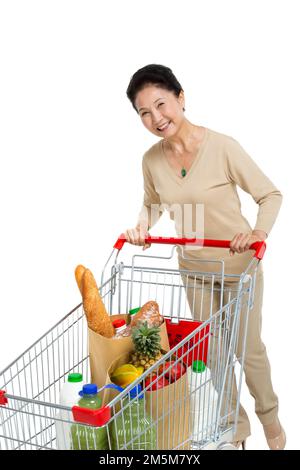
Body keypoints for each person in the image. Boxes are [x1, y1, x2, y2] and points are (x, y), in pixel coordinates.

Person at [124, 64, 285, 450]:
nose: (156, 118)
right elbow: (151, 204)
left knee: (248, 350)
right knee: (212, 353)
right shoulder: (151, 160)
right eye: (144, 112)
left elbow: (270, 194)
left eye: (161, 104)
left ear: (181, 97)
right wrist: (141, 227)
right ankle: (235, 428)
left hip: (238, 268)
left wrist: (258, 233)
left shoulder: (222, 147)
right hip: (194, 270)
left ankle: (271, 420)